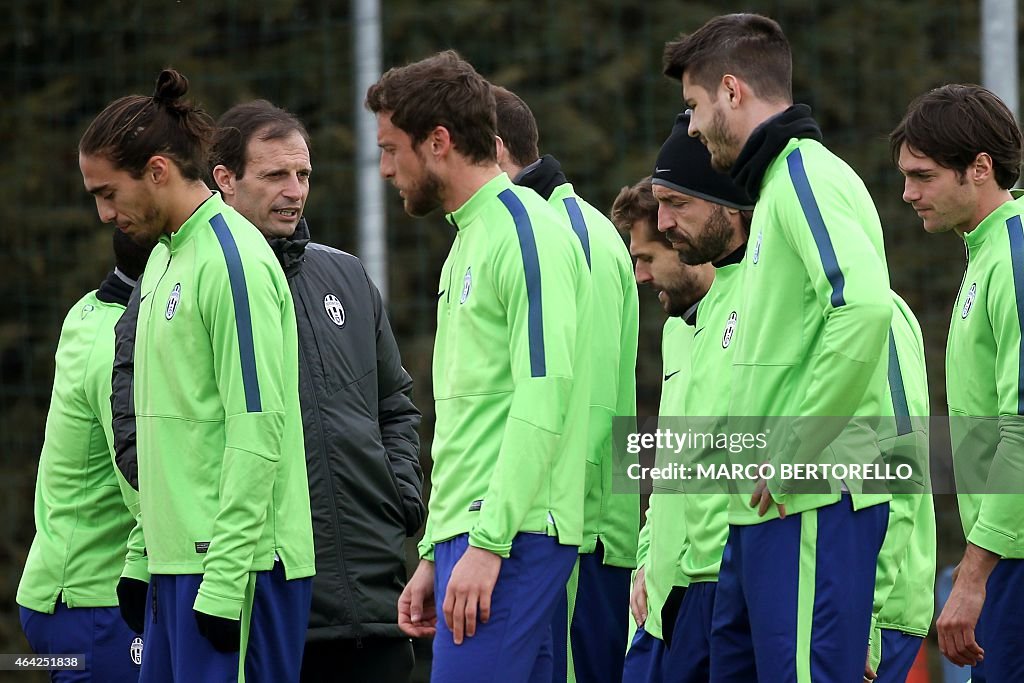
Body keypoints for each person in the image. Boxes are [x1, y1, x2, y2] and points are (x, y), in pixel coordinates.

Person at [663, 14, 893, 681]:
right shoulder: (776, 189)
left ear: (732, 91)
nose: (695, 126)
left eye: (695, 106)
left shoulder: (804, 178)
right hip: (765, 509)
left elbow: (863, 305)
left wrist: (794, 447)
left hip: (809, 499)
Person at [78, 68, 315, 682]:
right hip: (173, 565)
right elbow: (170, 432)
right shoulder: (161, 260)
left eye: (109, 192)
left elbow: (258, 426)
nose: (105, 213)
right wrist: (140, 554)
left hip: (237, 572)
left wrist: (225, 577)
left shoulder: (233, 261)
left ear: (157, 171)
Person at [366, 50, 592, 682]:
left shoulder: (527, 233)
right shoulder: (471, 237)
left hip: (511, 534)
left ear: (437, 142)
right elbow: (470, 420)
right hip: (481, 534)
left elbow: (545, 393)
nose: (385, 169)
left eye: (391, 149)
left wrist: (487, 543)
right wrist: (437, 551)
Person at [209, 99, 424, 683]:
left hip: (376, 599)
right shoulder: (195, 283)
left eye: (303, 174)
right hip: (269, 605)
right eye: (276, 175)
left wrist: (398, 496)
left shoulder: (347, 276)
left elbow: (395, 406)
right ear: (224, 180)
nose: (295, 191)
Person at [492, 84, 639, 683]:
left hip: (577, 535)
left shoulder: (571, 236)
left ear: (494, 150)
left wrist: (554, 523)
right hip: (550, 525)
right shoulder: (535, 227)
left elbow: (592, 399)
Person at [891, 83, 1024, 680]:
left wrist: (973, 575)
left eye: (922, 176)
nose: (908, 193)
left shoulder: (1015, 257)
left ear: (980, 168)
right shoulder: (988, 251)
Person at [16, 229, 154, 681]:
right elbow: (143, 485)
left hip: (72, 598)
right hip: (95, 603)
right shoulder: (121, 347)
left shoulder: (92, 309)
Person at [651, 112, 753, 682]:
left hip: (748, 577)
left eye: (678, 204)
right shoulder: (699, 315)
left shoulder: (786, 296)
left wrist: (870, 613)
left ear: (728, 206)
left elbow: (883, 452)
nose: (663, 223)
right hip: (691, 587)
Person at [610, 176, 713, 683]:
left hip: (713, 593)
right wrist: (647, 560)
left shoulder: (753, 322)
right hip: (659, 605)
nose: (639, 276)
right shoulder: (677, 331)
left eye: (647, 258)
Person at [865, 291, 936, 681]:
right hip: (839, 605)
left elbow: (903, 467)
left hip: (880, 613)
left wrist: (865, 613)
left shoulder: (879, 314)